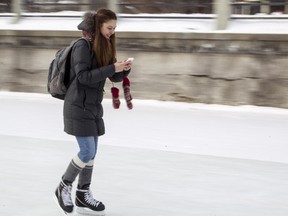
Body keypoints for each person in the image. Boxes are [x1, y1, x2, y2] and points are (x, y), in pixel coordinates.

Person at [54, 8, 132, 216]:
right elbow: (83, 77)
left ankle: (82, 193)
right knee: (86, 151)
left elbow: (109, 76)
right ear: (98, 25)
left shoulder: (103, 46)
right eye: (109, 28)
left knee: (92, 153)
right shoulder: (82, 46)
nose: (112, 32)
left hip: (93, 106)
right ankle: (64, 185)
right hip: (77, 105)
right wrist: (112, 68)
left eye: (114, 28)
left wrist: (122, 69)